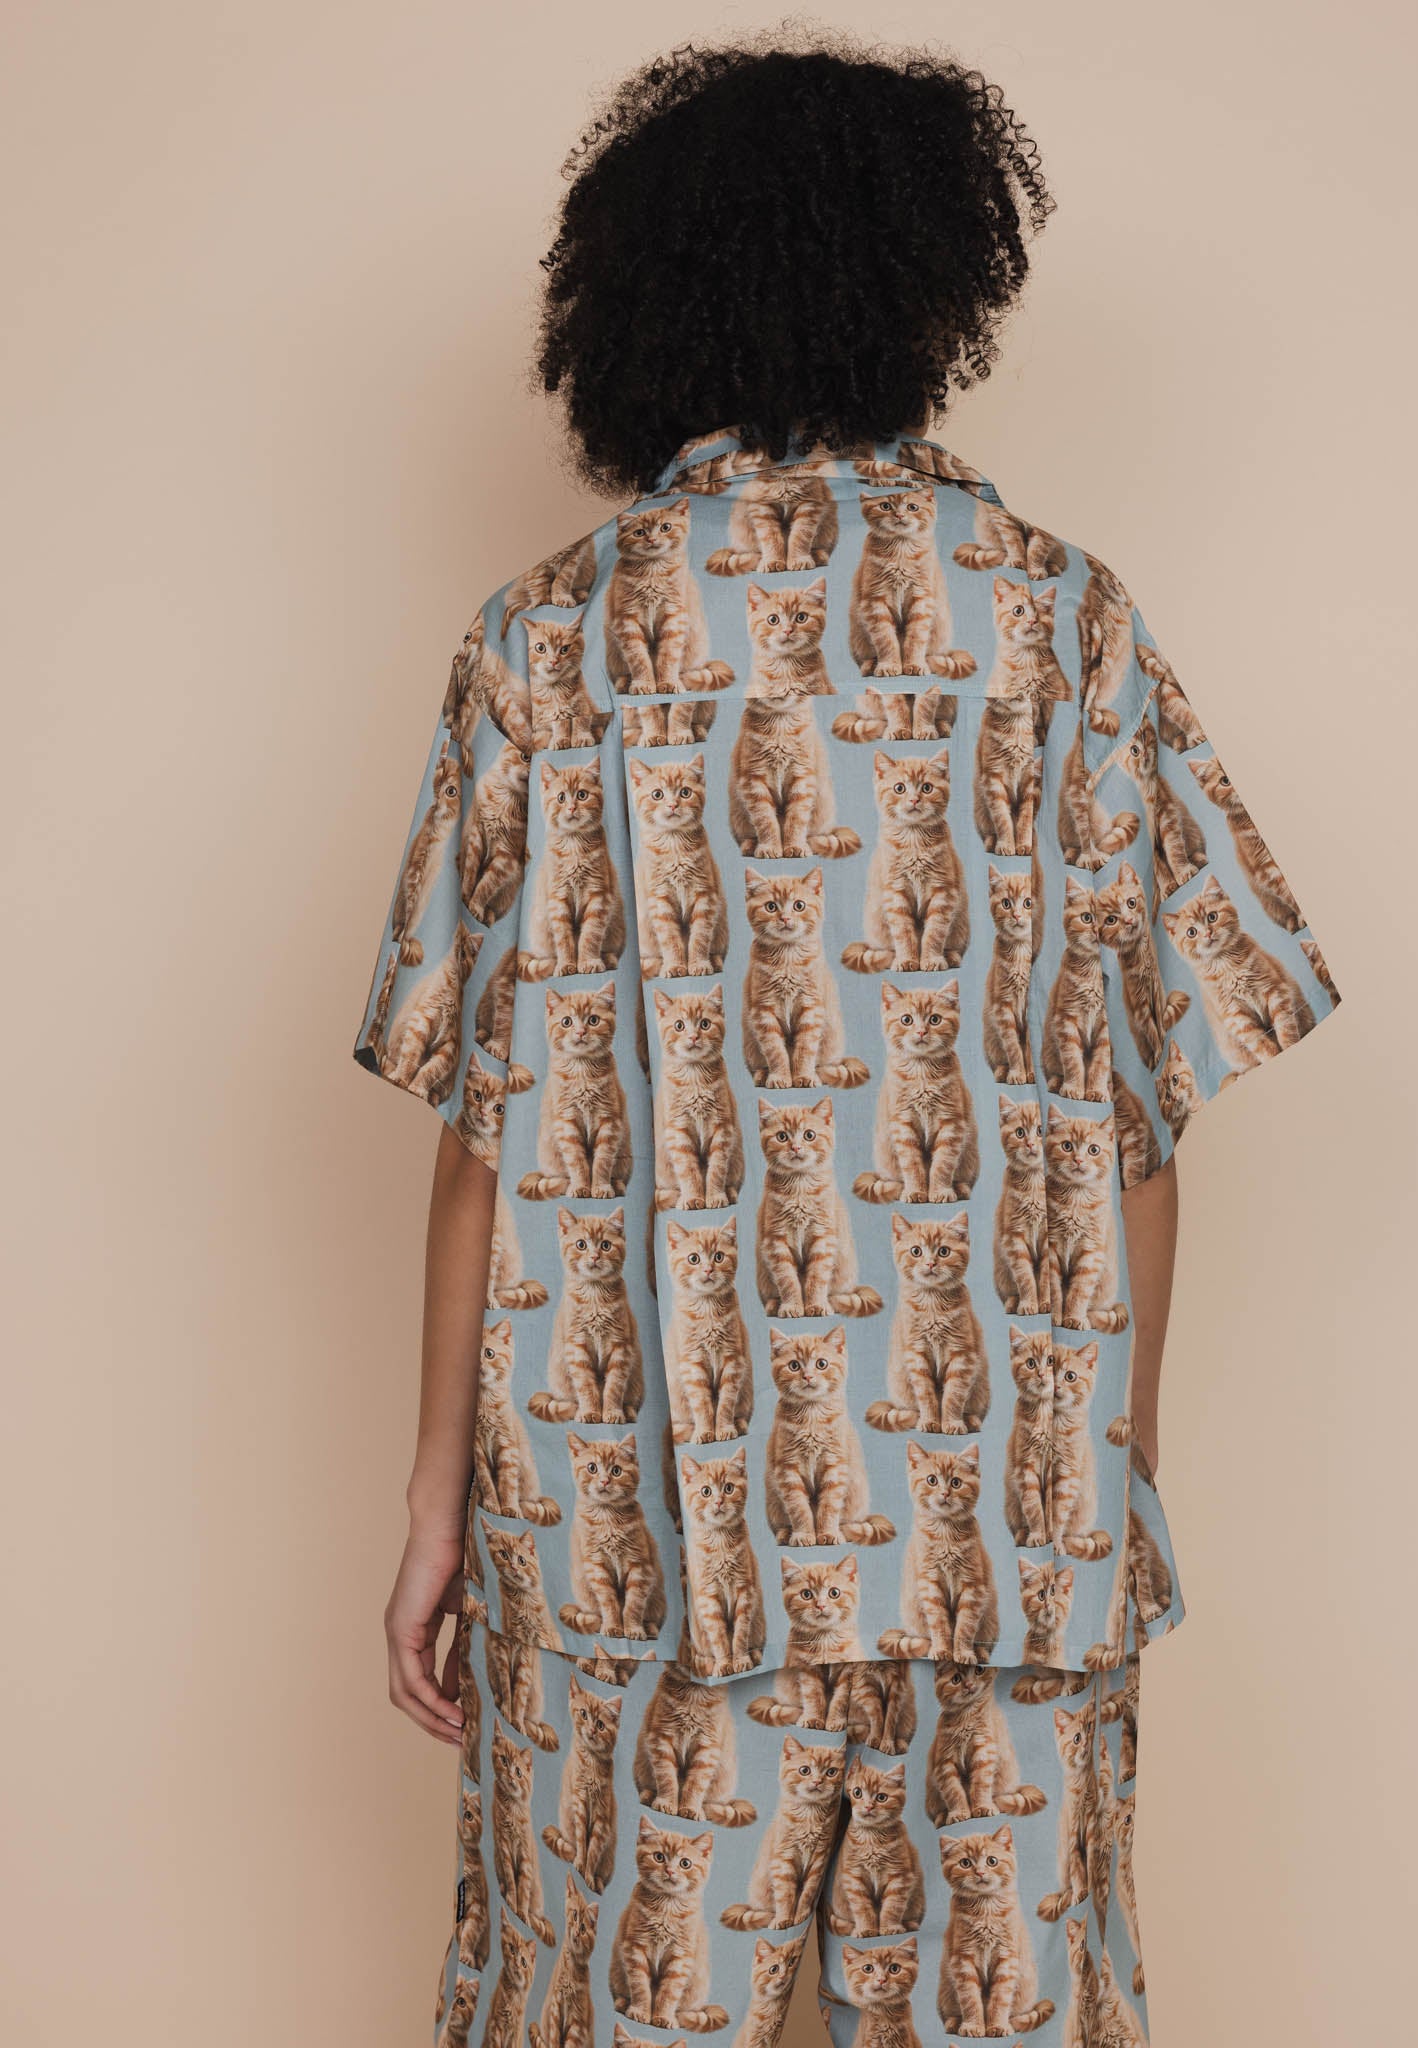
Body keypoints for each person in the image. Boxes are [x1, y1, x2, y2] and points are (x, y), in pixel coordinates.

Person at [352, 30, 1341, 2048]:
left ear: (640, 307)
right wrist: (1108, 1470)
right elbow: (1144, 1115)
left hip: (630, 1524)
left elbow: (484, 1130)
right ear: (925, 294)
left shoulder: (549, 642)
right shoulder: (1062, 625)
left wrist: (438, 1498)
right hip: (1011, 1526)